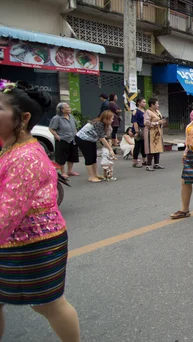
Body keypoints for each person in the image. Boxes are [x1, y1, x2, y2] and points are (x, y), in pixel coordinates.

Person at [0, 80, 80, 340]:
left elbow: (6, 215)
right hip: (12, 242)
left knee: (48, 304)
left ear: (22, 118)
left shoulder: (26, 157)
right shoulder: (10, 148)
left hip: (34, 244)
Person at [75, 110, 116, 183]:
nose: (112, 120)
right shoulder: (99, 124)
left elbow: (106, 137)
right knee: (89, 157)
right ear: (106, 119)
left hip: (91, 139)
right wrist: (110, 149)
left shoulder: (105, 125)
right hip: (82, 139)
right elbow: (102, 139)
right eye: (111, 118)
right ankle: (91, 176)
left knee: (94, 157)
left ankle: (96, 174)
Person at [48, 102, 79, 179]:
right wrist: (56, 135)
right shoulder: (57, 118)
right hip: (62, 139)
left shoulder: (71, 116)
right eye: (67, 108)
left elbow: (75, 125)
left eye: (69, 107)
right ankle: (63, 172)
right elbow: (51, 128)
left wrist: (76, 133)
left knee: (72, 156)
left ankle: (70, 171)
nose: (69, 109)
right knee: (61, 157)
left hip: (72, 139)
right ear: (62, 110)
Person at [144, 98, 166, 171]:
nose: (158, 105)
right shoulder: (148, 112)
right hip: (151, 133)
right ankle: (149, 165)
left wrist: (162, 122)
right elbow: (146, 123)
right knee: (151, 148)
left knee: (158, 147)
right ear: (152, 104)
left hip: (157, 132)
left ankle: (156, 163)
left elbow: (160, 120)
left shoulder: (157, 111)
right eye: (157, 104)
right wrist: (157, 123)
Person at [131, 97, 147, 168]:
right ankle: (135, 161)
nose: (145, 103)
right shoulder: (136, 111)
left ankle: (144, 160)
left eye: (145, 102)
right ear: (139, 103)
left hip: (144, 129)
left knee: (144, 145)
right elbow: (135, 122)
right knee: (137, 146)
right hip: (139, 129)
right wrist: (137, 131)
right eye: (143, 102)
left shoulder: (145, 111)